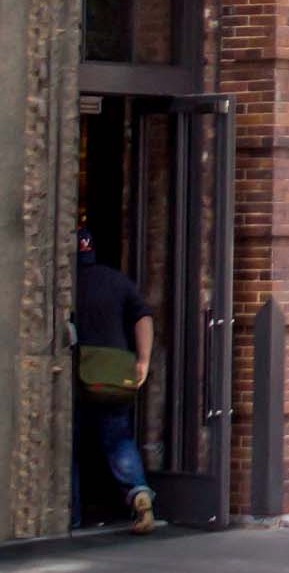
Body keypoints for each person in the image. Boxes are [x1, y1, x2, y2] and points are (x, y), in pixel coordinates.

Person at [71, 228, 156, 534]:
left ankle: (73, 517)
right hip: (115, 378)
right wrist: (143, 360)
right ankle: (139, 493)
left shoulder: (65, 283)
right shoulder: (117, 281)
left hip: (77, 380)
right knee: (118, 440)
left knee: (70, 447)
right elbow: (143, 316)